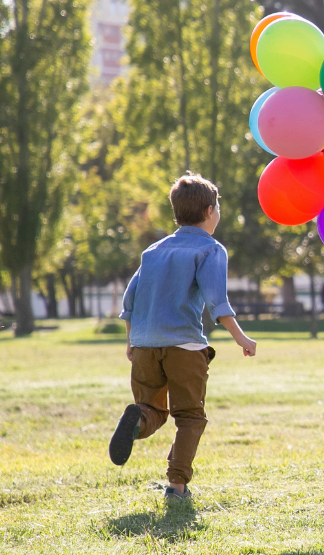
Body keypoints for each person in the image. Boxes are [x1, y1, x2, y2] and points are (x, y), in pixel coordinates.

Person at [109, 173, 258, 502]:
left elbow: (129, 301)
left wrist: (131, 341)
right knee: (190, 416)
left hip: (146, 345)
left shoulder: (153, 251)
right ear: (209, 212)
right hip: (184, 346)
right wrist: (242, 338)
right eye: (217, 207)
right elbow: (218, 303)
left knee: (152, 410)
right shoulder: (210, 250)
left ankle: (136, 420)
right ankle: (176, 486)